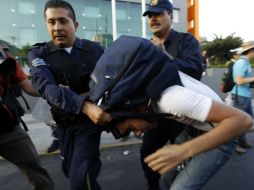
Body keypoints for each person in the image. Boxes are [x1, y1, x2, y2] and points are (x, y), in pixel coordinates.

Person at [87, 35, 251, 190]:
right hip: (194, 130)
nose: (137, 133)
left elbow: (243, 120)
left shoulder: (170, 99)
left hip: (223, 133)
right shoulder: (149, 93)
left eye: (131, 128)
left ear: (133, 108)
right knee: (165, 181)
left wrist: (183, 151)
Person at [28, 1, 111, 189]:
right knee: (69, 170)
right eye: (51, 22)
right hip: (63, 126)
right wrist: (85, 103)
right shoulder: (39, 54)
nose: (57, 27)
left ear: (75, 25)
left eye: (63, 21)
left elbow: (110, 83)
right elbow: (48, 89)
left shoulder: (95, 50)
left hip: (88, 125)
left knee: (81, 180)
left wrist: (75, 98)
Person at [141, 0, 203, 189]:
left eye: (158, 14)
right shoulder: (145, 45)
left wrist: (164, 59)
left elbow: (195, 70)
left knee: (185, 160)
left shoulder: (186, 40)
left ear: (171, 16)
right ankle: (153, 186)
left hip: (183, 116)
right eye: (150, 15)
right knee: (147, 155)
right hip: (156, 115)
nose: (153, 19)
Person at [0, 46, 54, 190]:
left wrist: (53, 89)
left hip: (8, 129)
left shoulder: (6, 59)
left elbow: (28, 86)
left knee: (37, 173)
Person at [231, 42, 254, 154]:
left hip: (245, 95)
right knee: (240, 121)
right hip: (240, 96)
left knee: (248, 120)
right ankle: (237, 144)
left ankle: (242, 142)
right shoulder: (241, 63)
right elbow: (239, 81)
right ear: (251, 51)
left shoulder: (246, 63)